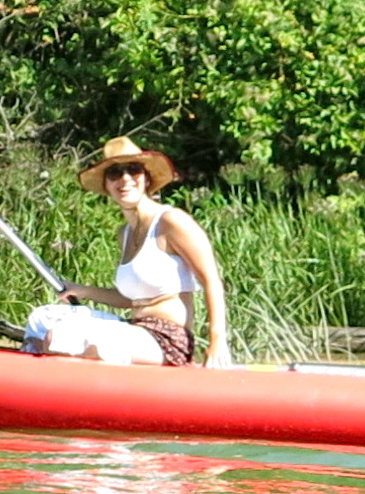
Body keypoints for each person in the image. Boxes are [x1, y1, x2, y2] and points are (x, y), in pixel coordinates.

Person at [50, 136, 232, 367]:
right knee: (46, 330)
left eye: (133, 170)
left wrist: (217, 340)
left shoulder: (171, 221)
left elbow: (211, 280)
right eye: (115, 173)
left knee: (86, 343)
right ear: (106, 185)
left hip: (168, 340)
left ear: (146, 179)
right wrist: (84, 290)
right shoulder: (124, 233)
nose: (125, 179)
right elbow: (130, 299)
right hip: (136, 329)